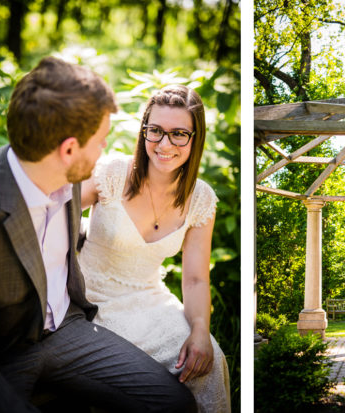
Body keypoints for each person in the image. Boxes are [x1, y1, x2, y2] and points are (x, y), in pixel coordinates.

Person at [0, 57, 196, 413]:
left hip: (69, 329)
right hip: (3, 351)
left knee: (175, 404)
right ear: (70, 149)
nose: (106, 150)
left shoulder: (69, 176)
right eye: (101, 141)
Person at [78, 85, 231, 412]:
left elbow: (195, 280)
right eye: (156, 131)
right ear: (143, 130)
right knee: (146, 378)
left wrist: (201, 330)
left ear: (195, 138)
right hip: (92, 301)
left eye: (178, 134)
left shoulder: (200, 199)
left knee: (211, 361)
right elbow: (53, 206)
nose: (164, 144)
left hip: (150, 299)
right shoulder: (114, 173)